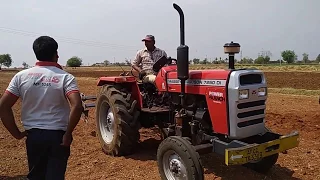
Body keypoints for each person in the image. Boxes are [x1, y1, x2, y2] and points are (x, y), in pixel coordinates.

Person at [0, 36, 84, 180]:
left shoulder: (21, 77)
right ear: (55, 54)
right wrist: (68, 133)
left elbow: (3, 106)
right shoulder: (66, 77)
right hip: (58, 137)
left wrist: (17, 134)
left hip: (34, 137)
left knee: (36, 176)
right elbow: (77, 105)